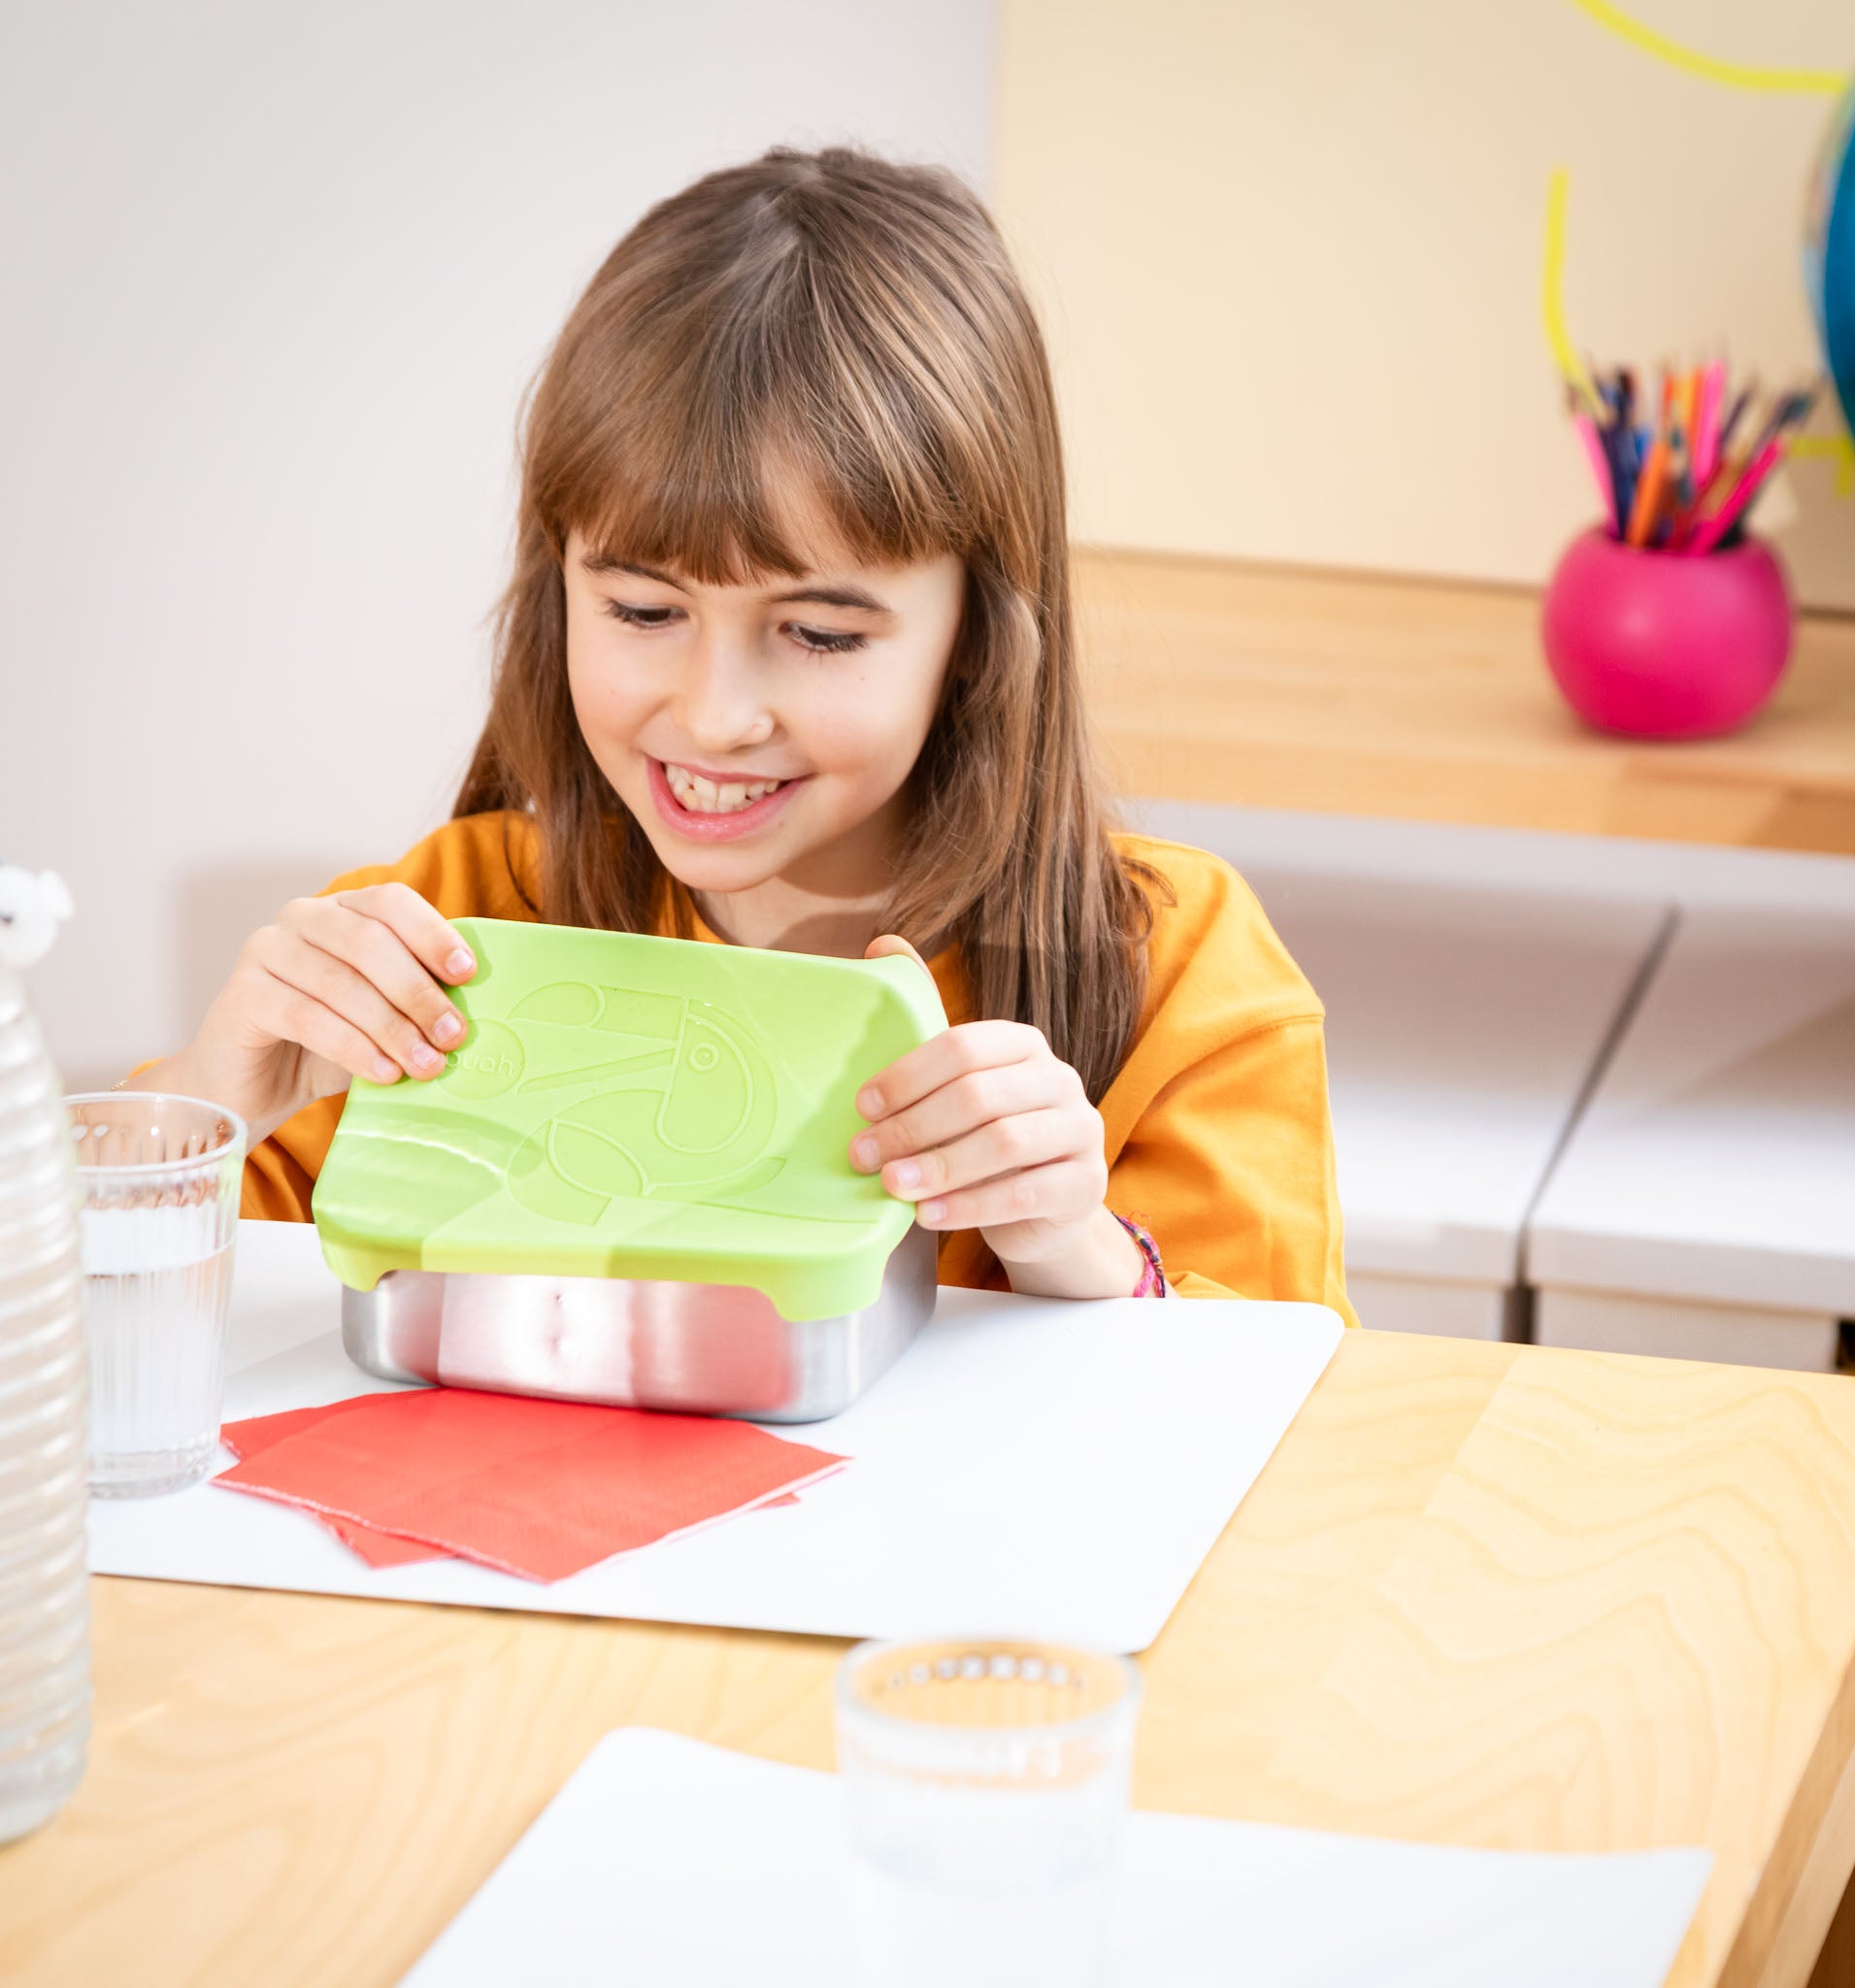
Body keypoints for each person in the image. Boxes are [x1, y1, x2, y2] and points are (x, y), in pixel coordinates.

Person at [141, 148, 1349, 1309]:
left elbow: (1295, 1431)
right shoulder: (448, 933)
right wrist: (207, 1103)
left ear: (976, 631)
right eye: (643, 609)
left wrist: (1077, 1251)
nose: (715, 716)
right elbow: (106, 1349)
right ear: (553, 582)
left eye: (820, 634)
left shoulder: (1173, 971)